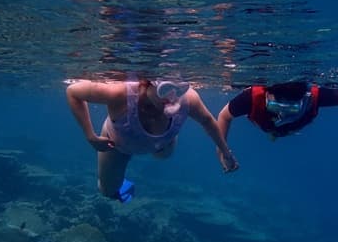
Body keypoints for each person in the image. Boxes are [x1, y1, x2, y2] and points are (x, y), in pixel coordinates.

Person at [67, 79, 238, 202]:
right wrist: (90, 135)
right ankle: (123, 190)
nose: (172, 98)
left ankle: (161, 141)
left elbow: (208, 121)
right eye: (165, 90)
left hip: (161, 145)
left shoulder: (189, 99)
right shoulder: (120, 93)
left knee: (164, 155)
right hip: (118, 144)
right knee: (107, 190)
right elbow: (73, 92)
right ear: (146, 83)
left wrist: (225, 151)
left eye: (179, 91)